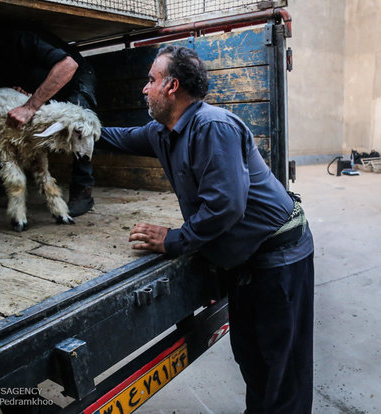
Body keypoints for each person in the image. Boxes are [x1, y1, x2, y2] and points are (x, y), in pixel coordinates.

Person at [100, 45, 315, 414]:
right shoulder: (162, 132)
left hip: (279, 259)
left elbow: (226, 206)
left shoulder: (213, 126)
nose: (144, 88)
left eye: (151, 80)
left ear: (172, 86)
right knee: (253, 358)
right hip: (245, 261)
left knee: (283, 367)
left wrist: (174, 239)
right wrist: (60, 122)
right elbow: (115, 137)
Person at [0, 27, 97, 216]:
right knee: (11, 129)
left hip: (75, 80)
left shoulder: (20, 37)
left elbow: (68, 65)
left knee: (79, 126)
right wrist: (23, 96)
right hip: (41, 91)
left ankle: (82, 190)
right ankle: (5, 181)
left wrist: (30, 106)